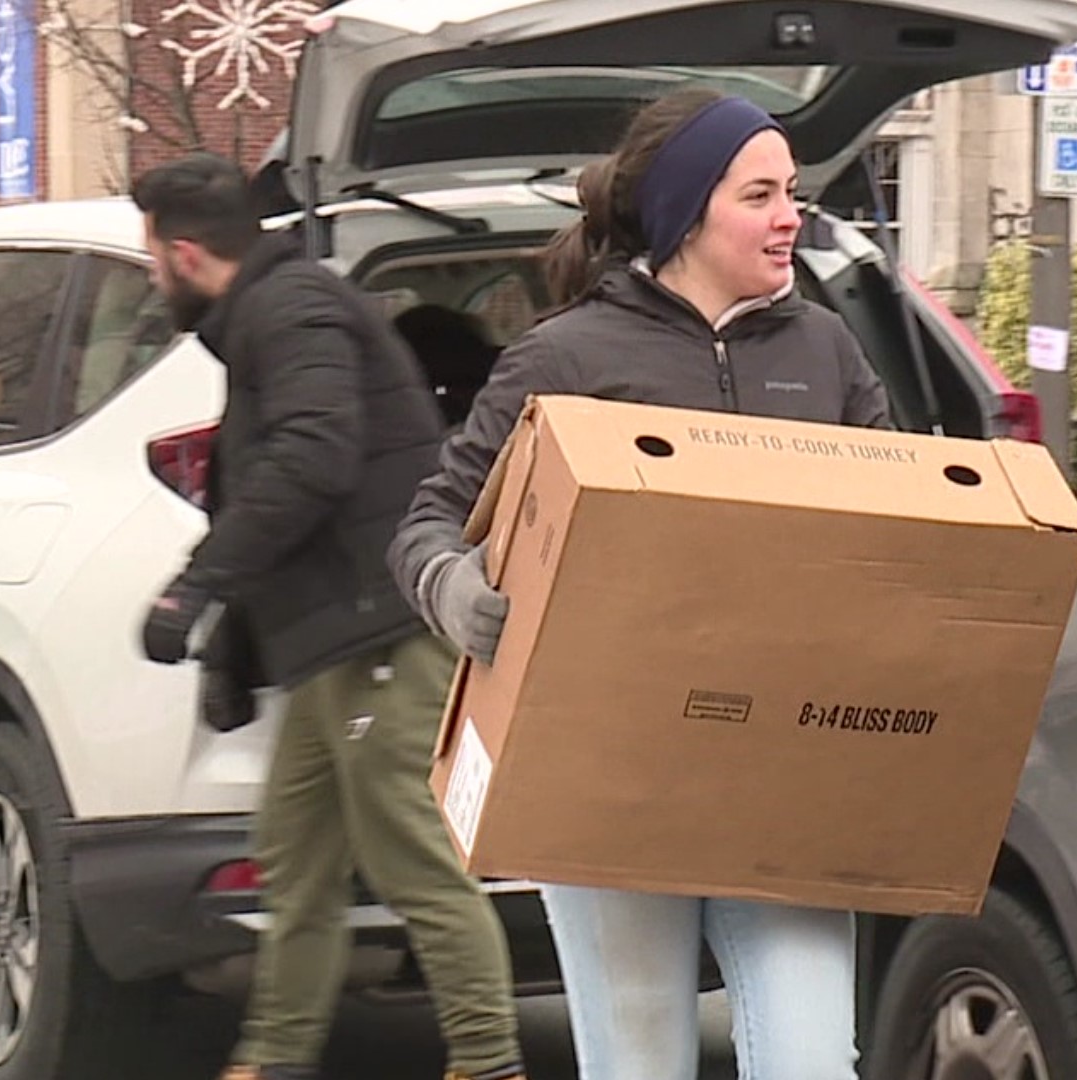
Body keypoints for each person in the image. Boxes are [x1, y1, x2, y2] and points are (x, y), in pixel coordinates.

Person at [388, 89, 892, 1080]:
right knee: (639, 1063)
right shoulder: (568, 356)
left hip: (784, 776)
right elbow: (429, 521)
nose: (791, 214)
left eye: (792, 192)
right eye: (761, 194)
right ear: (685, 211)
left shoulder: (824, 351)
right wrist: (455, 589)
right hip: (608, 774)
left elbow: (905, 520)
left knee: (809, 1062)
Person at [129, 153, 526, 1080]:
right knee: (295, 858)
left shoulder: (292, 308)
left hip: (377, 626)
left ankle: (489, 1061)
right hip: (331, 643)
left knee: (410, 856)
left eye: (153, 261)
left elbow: (314, 455)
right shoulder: (272, 310)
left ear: (185, 254)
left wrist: (199, 584)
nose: (155, 279)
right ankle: (271, 1058)